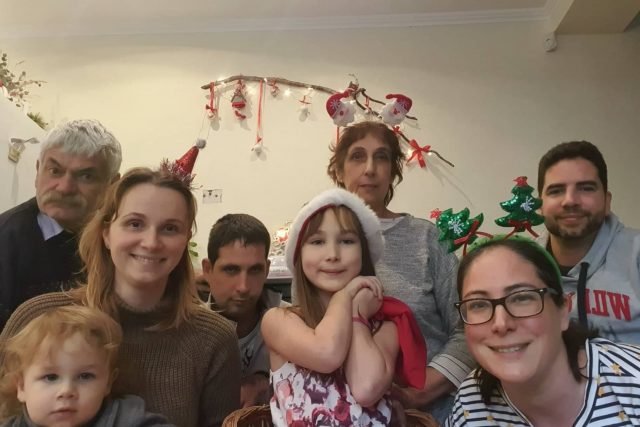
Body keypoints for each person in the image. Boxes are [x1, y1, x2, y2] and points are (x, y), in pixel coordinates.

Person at [0, 167, 241, 427]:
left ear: (185, 241)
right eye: (135, 224)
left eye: (170, 228)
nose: (151, 242)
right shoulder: (36, 319)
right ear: (106, 233)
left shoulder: (213, 339)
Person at [327, 120, 474, 421]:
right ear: (339, 171)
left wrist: (419, 392)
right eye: (357, 156)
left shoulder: (427, 239)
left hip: (429, 415)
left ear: (393, 171)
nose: (370, 169)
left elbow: (469, 328)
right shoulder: (317, 245)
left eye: (381, 157)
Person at [262, 188, 426, 426]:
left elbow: (366, 389)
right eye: (317, 242)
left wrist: (357, 314)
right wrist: (345, 296)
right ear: (299, 255)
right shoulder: (278, 320)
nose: (333, 254)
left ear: (364, 253)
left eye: (347, 241)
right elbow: (327, 353)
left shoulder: (385, 327)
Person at [447, 236, 640, 426]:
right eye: (478, 304)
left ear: (563, 310)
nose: (501, 323)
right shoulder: (470, 403)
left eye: (522, 298)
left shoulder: (634, 381)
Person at [0, 119, 122, 328]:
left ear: (112, 185)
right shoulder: (6, 239)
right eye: (55, 171)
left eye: (86, 176)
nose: (65, 188)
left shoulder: (122, 243)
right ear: (38, 170)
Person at [0, 305, 175, 427]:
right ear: (21, 386)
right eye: (51, 377)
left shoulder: (127, 418)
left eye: (85, 376)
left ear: (108, 382)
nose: (67, 391)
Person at [537, 140, 640, 343]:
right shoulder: (522, 263)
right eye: (556, 191)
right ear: (540, 205)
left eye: (586, 188)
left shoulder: (636, 255)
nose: (570, 200)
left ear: (607, 201)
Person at [201, 213, 288, 408]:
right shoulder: (188, 333)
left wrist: (265, 383)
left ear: (266, 270)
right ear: (208, 270)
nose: (243, 287)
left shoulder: (294, 323)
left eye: (255, 270)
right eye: (231, 270)